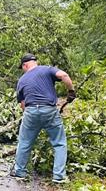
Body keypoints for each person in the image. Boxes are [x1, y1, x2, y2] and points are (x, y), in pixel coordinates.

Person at [11, 53, 76, 182]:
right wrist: (71, 91)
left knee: (24, 142)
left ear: (25, 65)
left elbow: (23, 105)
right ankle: (59, 176)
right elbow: (64, 75)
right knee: (59, 143)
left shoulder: (21, 80)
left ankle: (20, 173)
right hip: (49, 109)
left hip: (30, 111)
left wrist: (32, 117)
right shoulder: (47, 69)